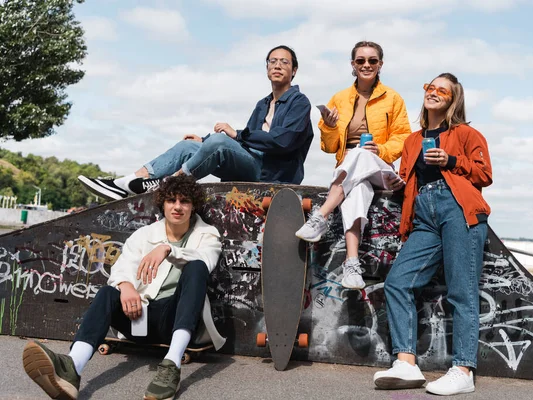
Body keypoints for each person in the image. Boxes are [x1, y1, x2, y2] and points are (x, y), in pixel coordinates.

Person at [22, 175, 226, 400]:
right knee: (109, 293)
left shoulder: (207, 235)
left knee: (196, 268)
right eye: (171, 200)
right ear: (163, 204)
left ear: (193, 205)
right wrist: (126, 285)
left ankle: (171, 365)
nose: (177, 207)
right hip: (140, 318)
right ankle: (73, 368)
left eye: (184, 201)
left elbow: (206, 260)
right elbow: (122, 267)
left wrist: (167, 249)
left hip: (176, 320)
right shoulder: (144, 235)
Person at [373, 73, 493, 395]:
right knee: (398, 282)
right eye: (430, 87)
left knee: (461, 291)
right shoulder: (413, 141)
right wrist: (398, 183)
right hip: (424, 216)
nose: (434, 93)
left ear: (453, 100)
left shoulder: (466, 133)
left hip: (458, 210)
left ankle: (463, 369)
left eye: (443, 90)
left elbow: (484, 173)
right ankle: (407, 364)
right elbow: (406, 180)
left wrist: (451, 160)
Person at [78, 45, 313, 201]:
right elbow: (241, 144)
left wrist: (235, 134)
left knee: (220, 140)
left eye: (284, 62)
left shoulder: (300, 102)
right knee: (188, 147)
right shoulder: (262, 104)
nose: (278, 65)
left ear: (294, 70)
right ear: (266, 68)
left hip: (274, 176)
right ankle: (126, 183)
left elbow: (282, 141)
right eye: (272, 61)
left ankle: (168, 183)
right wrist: (205, 141)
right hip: (252, 165)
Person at [295, 41, 411, 289]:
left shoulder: (393, 98)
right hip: (350, 169)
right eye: (360, 60)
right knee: (356, 192)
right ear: (353, 65)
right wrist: (328, 125)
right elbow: (329, 147)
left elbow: (403, 137)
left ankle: (321, 215)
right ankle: (352, 264)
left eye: (372, 60)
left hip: (379, 165)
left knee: (361, 154)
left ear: (380, 64)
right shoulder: (340, 98)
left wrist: (380, 149)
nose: (366, 65)